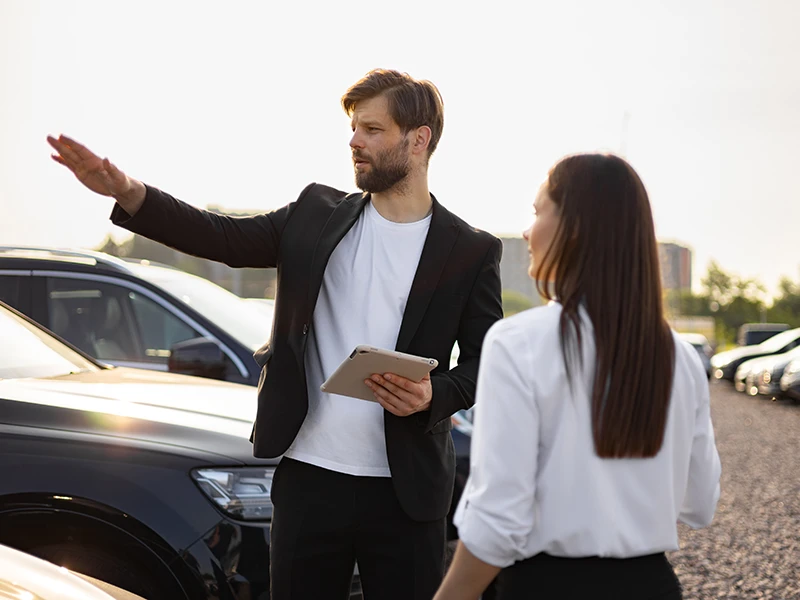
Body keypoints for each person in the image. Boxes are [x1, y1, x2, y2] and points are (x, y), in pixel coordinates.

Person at [47, 68, 503, 600]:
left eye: (373, 130)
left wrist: (434, 395)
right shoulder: (316, 213)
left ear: (419, 139)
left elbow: (486, 363)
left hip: (407, 491)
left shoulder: (471, 249)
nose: (354, 141)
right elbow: (220, 236)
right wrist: (130, 192)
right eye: (354, 128)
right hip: (310, 481)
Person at [433, 153, 721, 600]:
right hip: (654, 586)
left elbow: (497, 521)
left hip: (547, 586)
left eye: (536, 212)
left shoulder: (518, 342)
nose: (527, 232)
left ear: (576, 227)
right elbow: (700, 504)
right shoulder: (682, 358)